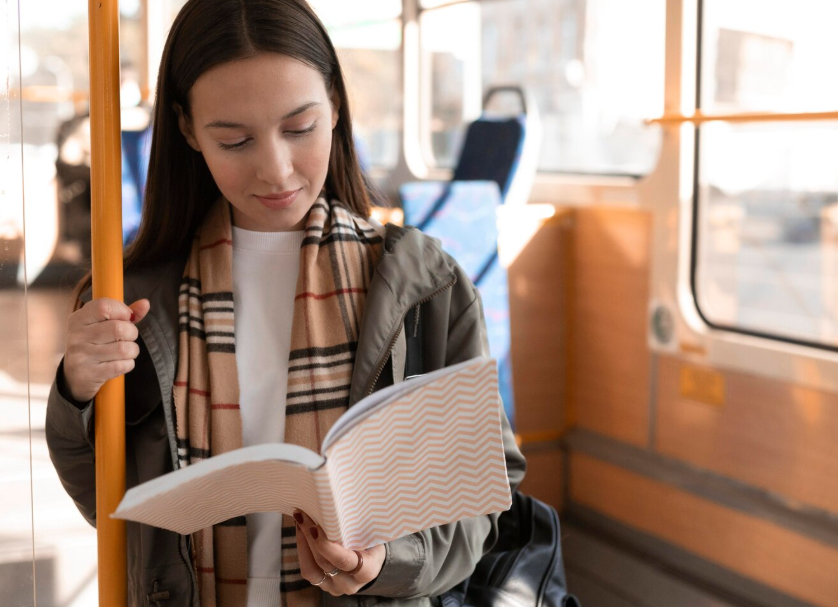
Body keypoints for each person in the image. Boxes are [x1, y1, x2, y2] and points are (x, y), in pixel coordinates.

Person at [44, 1, 526, 606]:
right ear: (189, 130)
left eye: (300, 128)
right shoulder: (133, 300)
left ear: (336, 105)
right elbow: (110, 507)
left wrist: (385, 563)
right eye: (235, 140)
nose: (275, 170)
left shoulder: (426, 284)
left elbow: (483, 496)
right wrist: (76, 391)